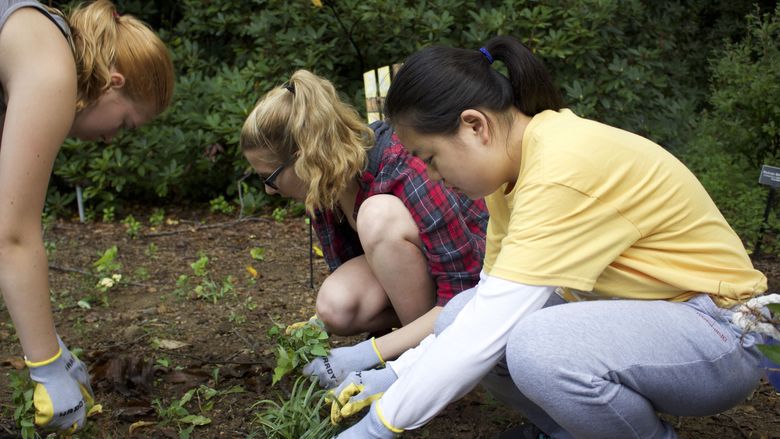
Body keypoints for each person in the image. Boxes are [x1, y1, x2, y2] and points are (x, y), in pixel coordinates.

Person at [330, 35, 774, 439]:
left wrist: (381, 424)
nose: (431, 174)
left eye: (430, 157)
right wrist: (399, 373)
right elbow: (485, 306)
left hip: (722, 331)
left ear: (474, 126)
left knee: (537, 346)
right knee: (460, 316)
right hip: (655, 317)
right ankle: (570, 433)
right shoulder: (514, 172)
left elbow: (489, 332)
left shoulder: (560, 168)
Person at [240, 69, 488, 387]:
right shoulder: (322, 187)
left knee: (377, 216)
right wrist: (316, 328)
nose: (269, 191)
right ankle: (414, 342)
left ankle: (425, 362)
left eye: (268, 178)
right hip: (432, 286)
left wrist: (369, 353)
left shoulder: (402, 168)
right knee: (336, 307)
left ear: (302, 159)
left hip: (477, 283)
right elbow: (359, 271)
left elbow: (463, 294)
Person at [0, 0, 174, 433]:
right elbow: (13, 237)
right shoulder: (53, 72)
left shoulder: (37, 42)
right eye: (127, 124)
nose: (113, 138)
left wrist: (51, 346)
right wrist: (46, 367)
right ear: (113, 83)